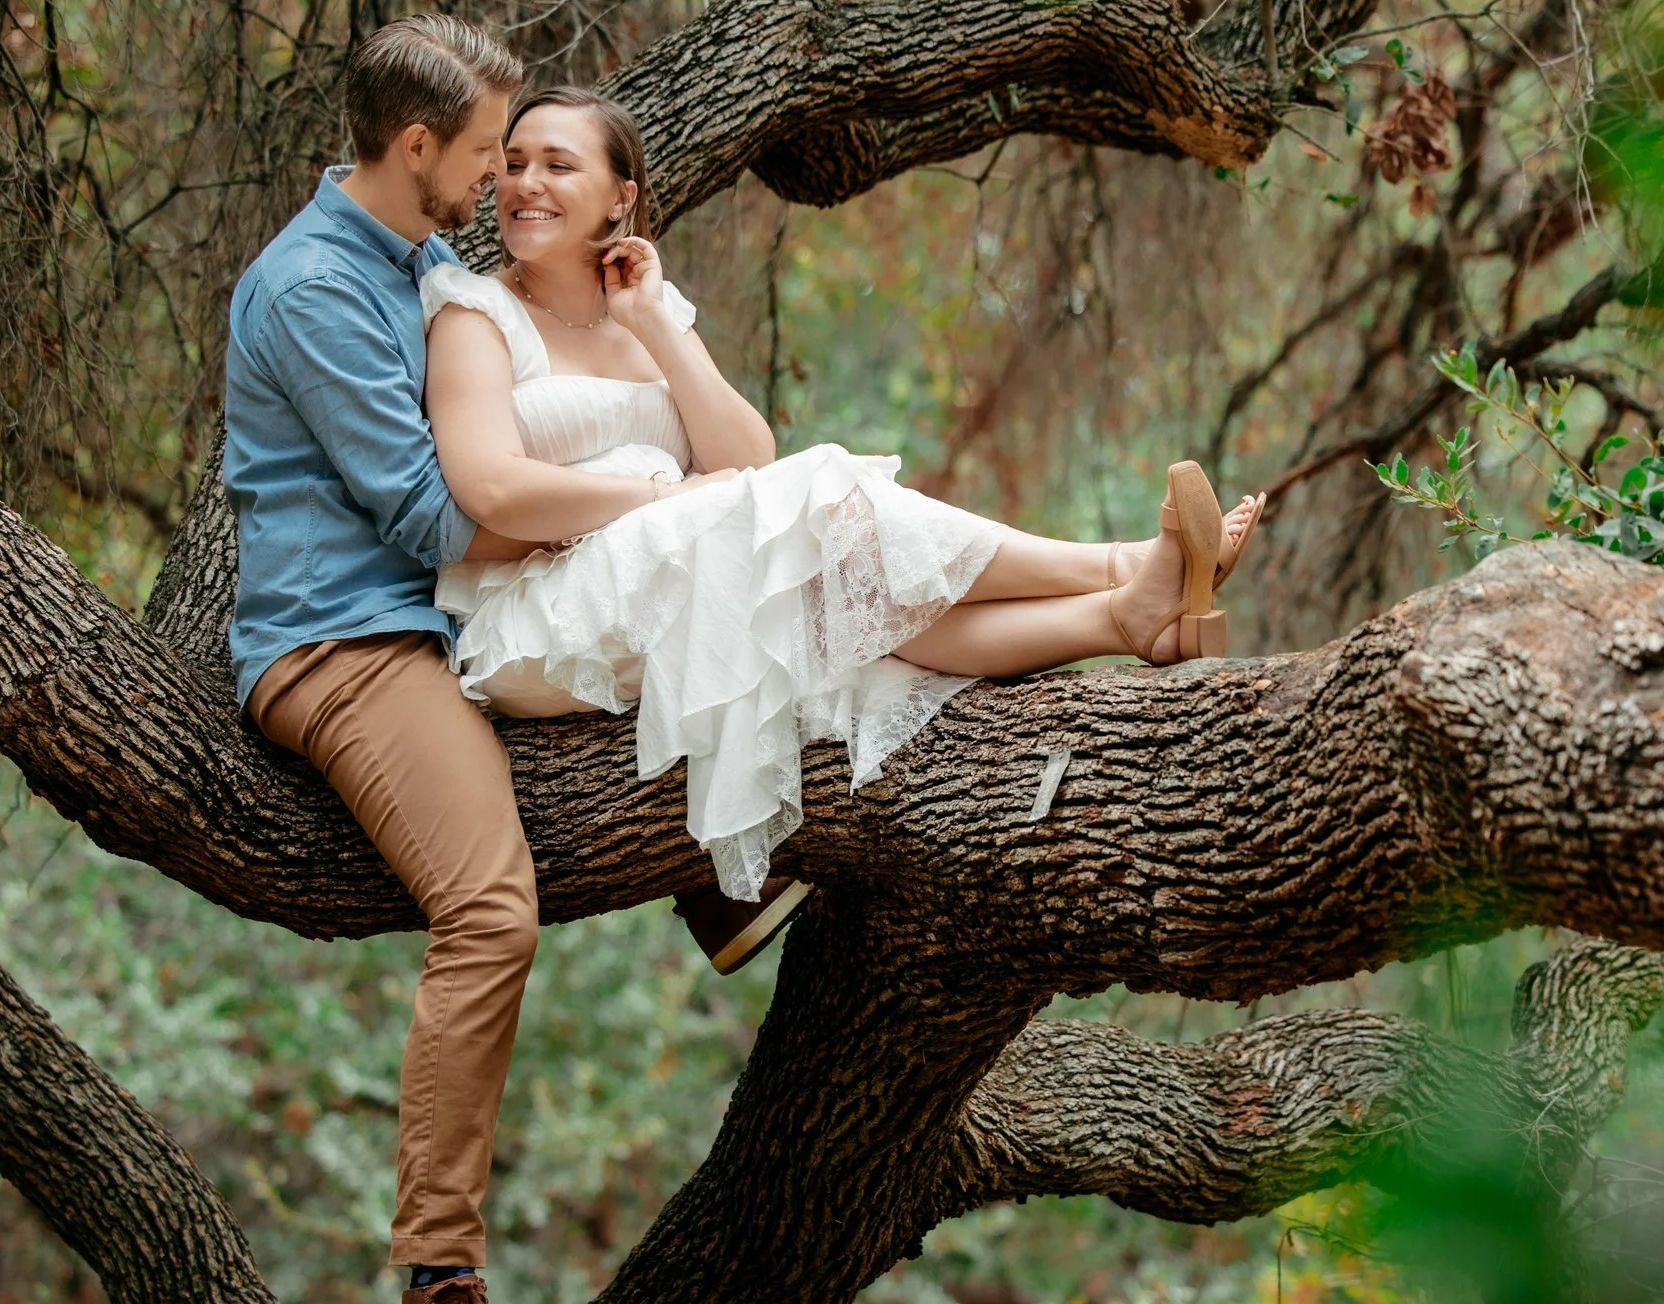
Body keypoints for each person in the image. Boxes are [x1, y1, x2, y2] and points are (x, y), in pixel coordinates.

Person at [421, 86, 1265, 910]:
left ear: (621, 195)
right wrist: (658, 498)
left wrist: (651, 322)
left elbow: (744, 455)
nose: (524, 183)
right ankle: (1116, 563)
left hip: (675, 566)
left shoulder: (648, 312)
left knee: (858, 618)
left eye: (558, 165)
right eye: (515, 163)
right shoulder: (475, 313)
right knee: (820, 495)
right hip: (542, 617)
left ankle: (1124, 617)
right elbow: (490, 488)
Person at [221, 14, 547, 1304]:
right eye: (483, 154)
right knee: (491, 909)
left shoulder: (417, 256)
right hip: (343, 644)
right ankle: (439, 1297)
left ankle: (723, 876)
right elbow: (430, 511)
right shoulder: (306, 289)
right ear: (415, 147)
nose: (493, 180)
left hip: (445, 626)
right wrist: (637, 504)